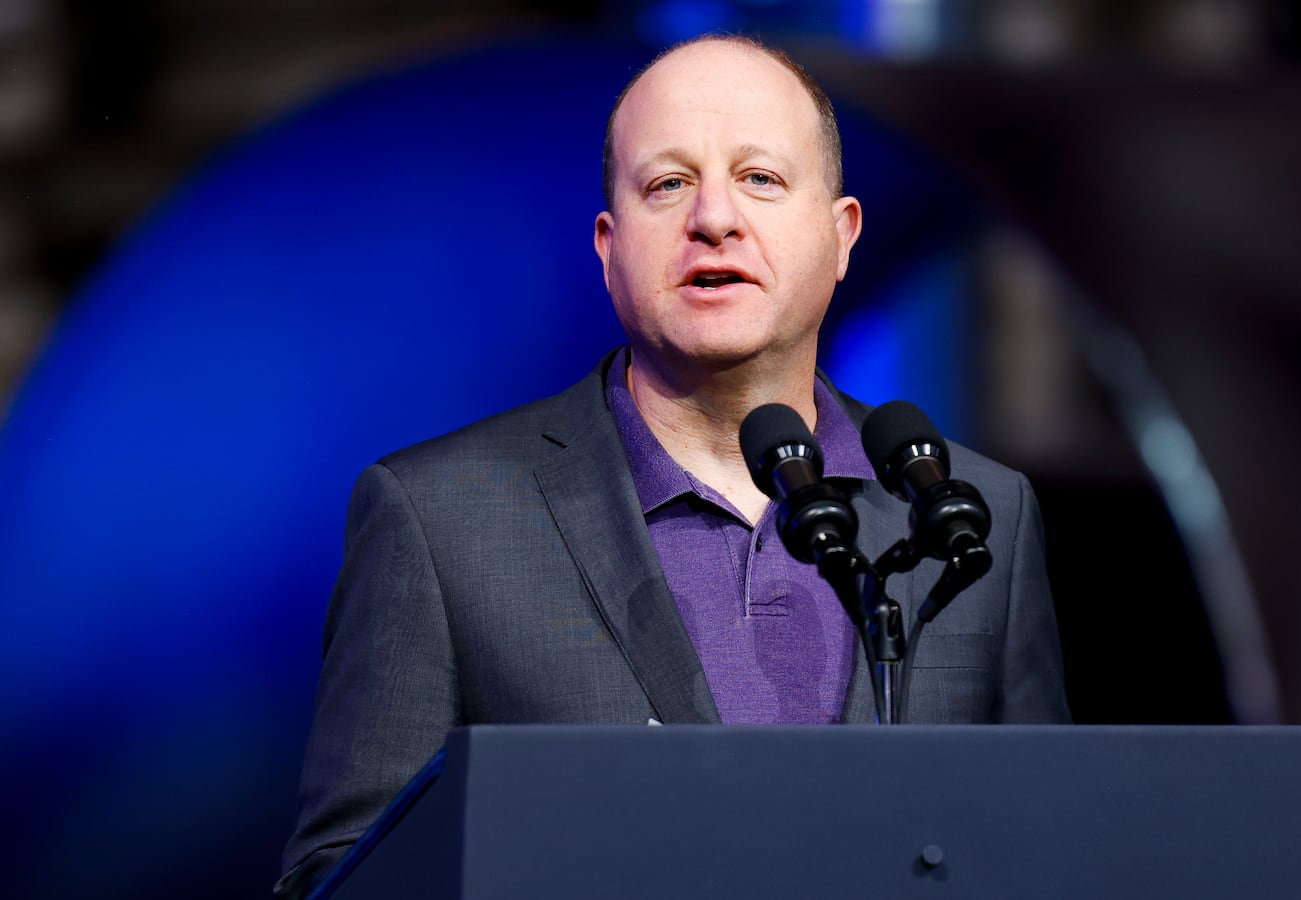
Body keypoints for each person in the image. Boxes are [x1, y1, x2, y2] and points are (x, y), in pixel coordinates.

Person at [276, 34, 1069, 899]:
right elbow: (341, 883)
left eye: (761, 178)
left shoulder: (974, 512)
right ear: (609, 248)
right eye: (669, 184)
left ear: (841, 236)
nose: (715, 219)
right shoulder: (440, 521)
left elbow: (1049, 854)